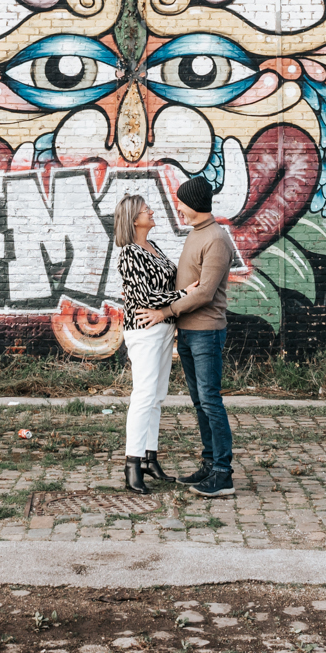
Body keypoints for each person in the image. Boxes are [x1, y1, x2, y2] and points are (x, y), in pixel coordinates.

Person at [137, 174, 235, 497]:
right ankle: (209, 463)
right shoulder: (197, 234)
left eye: (181, 203)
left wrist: (165, 312)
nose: (177, 208)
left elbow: (205, 292)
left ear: (194, 203)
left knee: (210, 400)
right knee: (199, 401)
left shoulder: (216, 239)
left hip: (207, 333)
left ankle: (223, 473)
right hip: (190, 333)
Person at [111, 195, 178, 493]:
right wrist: (185, 295)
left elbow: (165, 285)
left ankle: (150, 458)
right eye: (145, 209)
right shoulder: (129, 253)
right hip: (143, 330)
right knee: (143, 395)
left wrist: (177, 299)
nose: (151, 211)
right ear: (133, 219)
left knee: (157, 396)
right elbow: (145, 297)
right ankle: (132, 464)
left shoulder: (154, 247)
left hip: (163, 327)